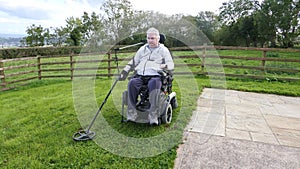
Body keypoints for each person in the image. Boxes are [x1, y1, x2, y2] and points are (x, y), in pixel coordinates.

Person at [119, 27, 174, 125]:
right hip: (140, 75)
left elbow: (171, 65)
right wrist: (125, 71)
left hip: (155, 76)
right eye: (148, 38)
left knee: (154, 84)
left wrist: (164, 65)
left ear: (158, 38)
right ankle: (132, 113)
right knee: (132, 83)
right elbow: (134, 61)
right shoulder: (142, 49)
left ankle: (153, 114)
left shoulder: (163, 50)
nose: (150, 40)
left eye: (152, 38)